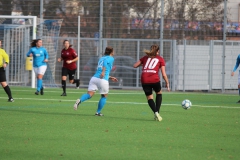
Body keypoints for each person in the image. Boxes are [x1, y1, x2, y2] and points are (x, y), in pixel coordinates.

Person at [73, 46, 118, 116]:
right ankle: (98, 112)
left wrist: (110, 77)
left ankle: (80, 100)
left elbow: (101, 69)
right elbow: (105, 64)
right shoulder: (111, 58)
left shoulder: (101, 58)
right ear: (111, 52)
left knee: (89, 94)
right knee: (104, 96)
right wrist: (103, 72)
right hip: (102, 79)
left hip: (94, 78)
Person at [133, 44, 170, 121]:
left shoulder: (145, 58)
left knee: (150, 98)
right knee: (159, 93)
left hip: (144, 79)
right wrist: (167, 83)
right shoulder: (160, 59)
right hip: (154, 79)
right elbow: (163, 74)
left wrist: (143, 64)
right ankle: (157, 113)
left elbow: (135, 65)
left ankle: (156, 112)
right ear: (158, 51)